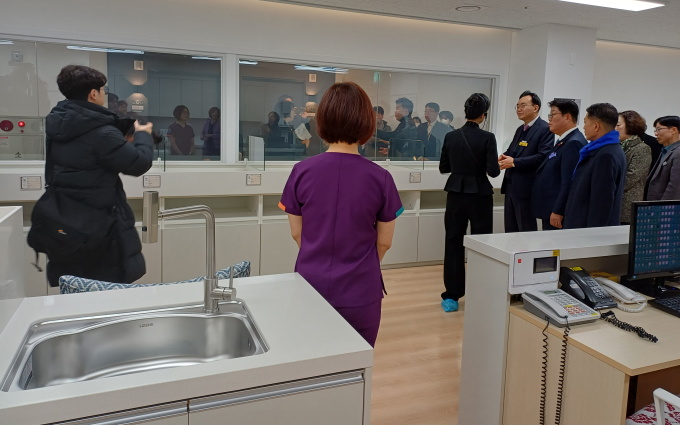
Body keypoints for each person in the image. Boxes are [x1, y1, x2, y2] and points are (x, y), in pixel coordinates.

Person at [279, 82, 403, 346]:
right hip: (361, 290)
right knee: (357, 362)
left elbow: (297, 233)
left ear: (323, 121)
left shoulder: (301, 171)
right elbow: (384, 242)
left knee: (312, 357)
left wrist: (321, 258)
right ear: (367, 123)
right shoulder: (381, 178)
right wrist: (360, 266)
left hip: (310, 284)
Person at [35, 64, 154, 286]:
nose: (104, 94)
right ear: (93, 93)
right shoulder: (101, 132)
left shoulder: (59, 124)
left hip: (65, 224)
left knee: (76, 288)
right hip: (100, 229)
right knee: (106, 292)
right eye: (103, 90)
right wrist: (143, 135)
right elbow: (139, 163)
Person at [439, 93, 500, 312]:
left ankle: (452, 296)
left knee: (453, 242)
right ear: (484, 115)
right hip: (480, 195)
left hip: (455, 193)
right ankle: (480, 291)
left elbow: (444, 167)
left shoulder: (451, 136)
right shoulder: (488, 138)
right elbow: (493, 172)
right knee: (481, 243)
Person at [563, 103, 626, 229]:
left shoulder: (606, 155)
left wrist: (593, 235)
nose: (583, 127)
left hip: (587, 229)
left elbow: (601, 203)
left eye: (585, 122)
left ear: (596, 126)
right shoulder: (604, 150)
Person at [499, 90, 553, 232]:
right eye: (517, 106)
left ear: (535, 108)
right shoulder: (520, 129)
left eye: (523, 105)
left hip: (526, 188)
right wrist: (503, 157)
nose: (519, 109)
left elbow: (543, 156)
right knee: (510, 230)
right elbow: (512, 151)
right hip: (510, 185)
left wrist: (514, 162)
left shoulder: (545, 129)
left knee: (525, 230)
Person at [531, 99, 587, 230]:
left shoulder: (574, 143)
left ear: (567, 117)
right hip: (549, 208)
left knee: (554, 243)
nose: (549, 119)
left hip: (558, 212)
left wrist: (558, 210)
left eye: (553, 114)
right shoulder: (563, 140)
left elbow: (568, 182)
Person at [616, 110, 651, 224]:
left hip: (627, 202)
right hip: (616, 199)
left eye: (618, 125)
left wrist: (611, 187)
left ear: (631, 126)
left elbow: (632, 176)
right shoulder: (619, 146)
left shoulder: (642, 148)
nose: (615, 129)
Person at [645, 115, 680, 201]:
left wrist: (662, 206)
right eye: (655, 130)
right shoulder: (665, 150)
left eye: (659, 129)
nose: (656, 134)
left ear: (673, 130)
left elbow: (675, 187)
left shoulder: (678, 152)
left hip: (665, 206)